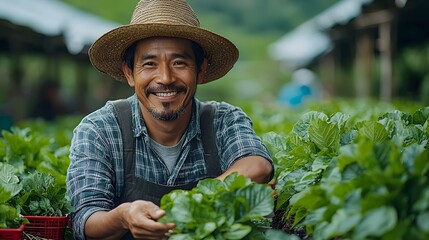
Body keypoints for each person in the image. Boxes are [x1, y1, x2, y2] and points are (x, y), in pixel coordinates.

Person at [66, 0, 274, 239]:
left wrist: (188, 205)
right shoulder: (99, 130)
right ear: (129, 73)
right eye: (149, 64)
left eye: (179, 63)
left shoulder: (224, 120)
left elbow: (258, 165)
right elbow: (86, 222)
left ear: (201, 70)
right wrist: (124, 215)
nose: (165, 78)